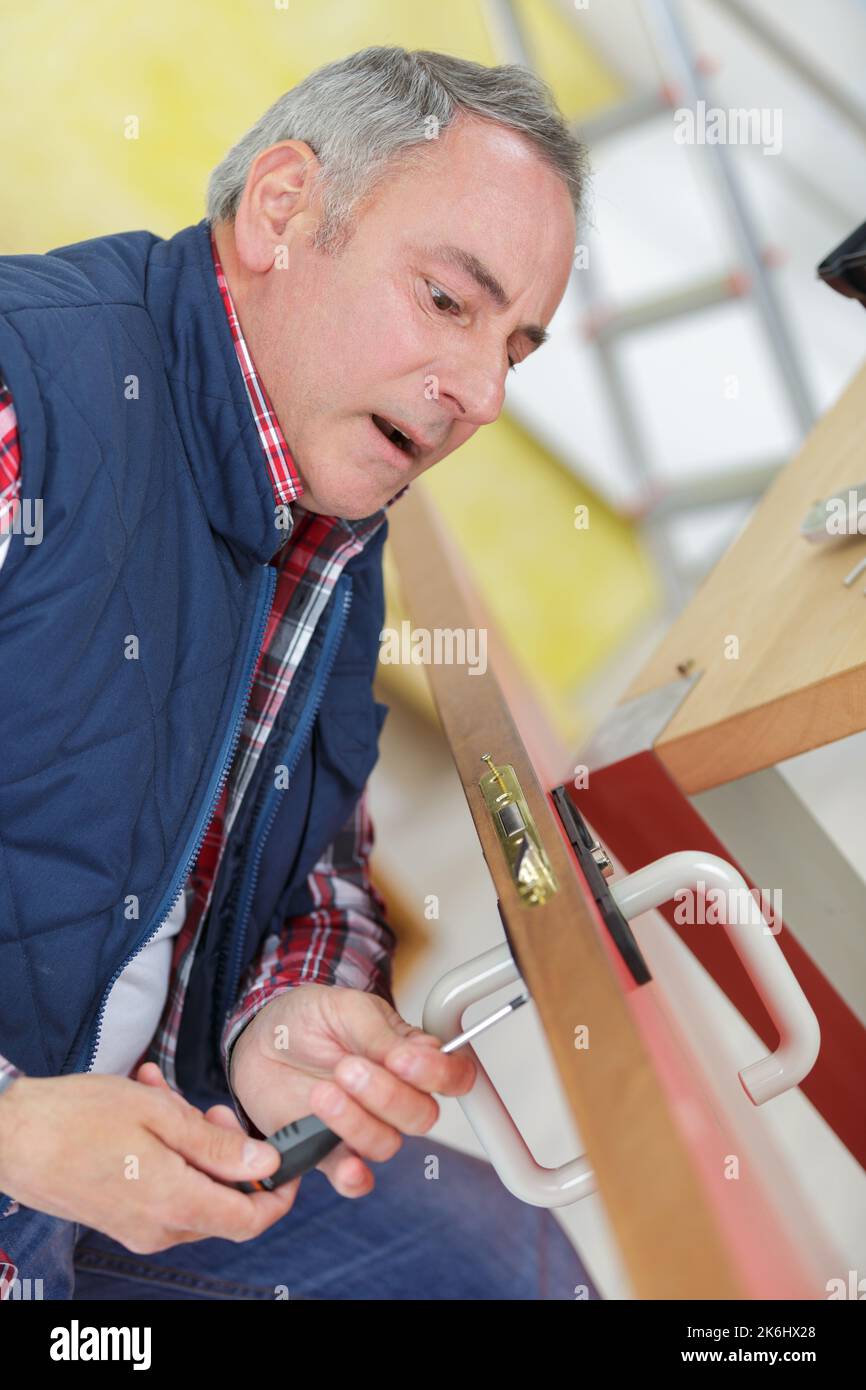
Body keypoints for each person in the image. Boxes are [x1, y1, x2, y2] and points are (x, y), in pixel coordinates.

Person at [0, 45, 596, 1300]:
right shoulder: (24, 397)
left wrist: (281, 1016)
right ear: (280, 210)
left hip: (149, 1140)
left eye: (516, 348)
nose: (483, 393)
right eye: (448, 300)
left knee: (508, 1264)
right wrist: (19, 1130)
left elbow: (311, 857)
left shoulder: (330, 517)